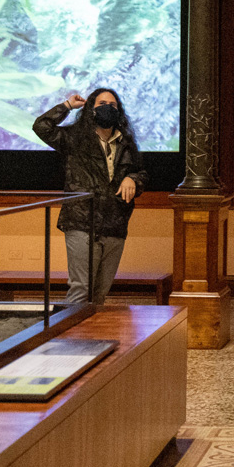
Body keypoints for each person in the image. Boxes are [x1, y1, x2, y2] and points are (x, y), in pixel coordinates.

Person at [33, 88, 147, 307]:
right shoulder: (75, 138)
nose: (107, 108)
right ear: (90, 109)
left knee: (100, 292)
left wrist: (133, 179)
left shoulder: (126, 143)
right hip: (81, 222)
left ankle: (92, 340)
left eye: (112, 105)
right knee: (81, 289)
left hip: (115, 223)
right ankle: (69, 339)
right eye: (102, 103)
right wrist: (66, 106)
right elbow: (41, 127)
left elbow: (141, 172)